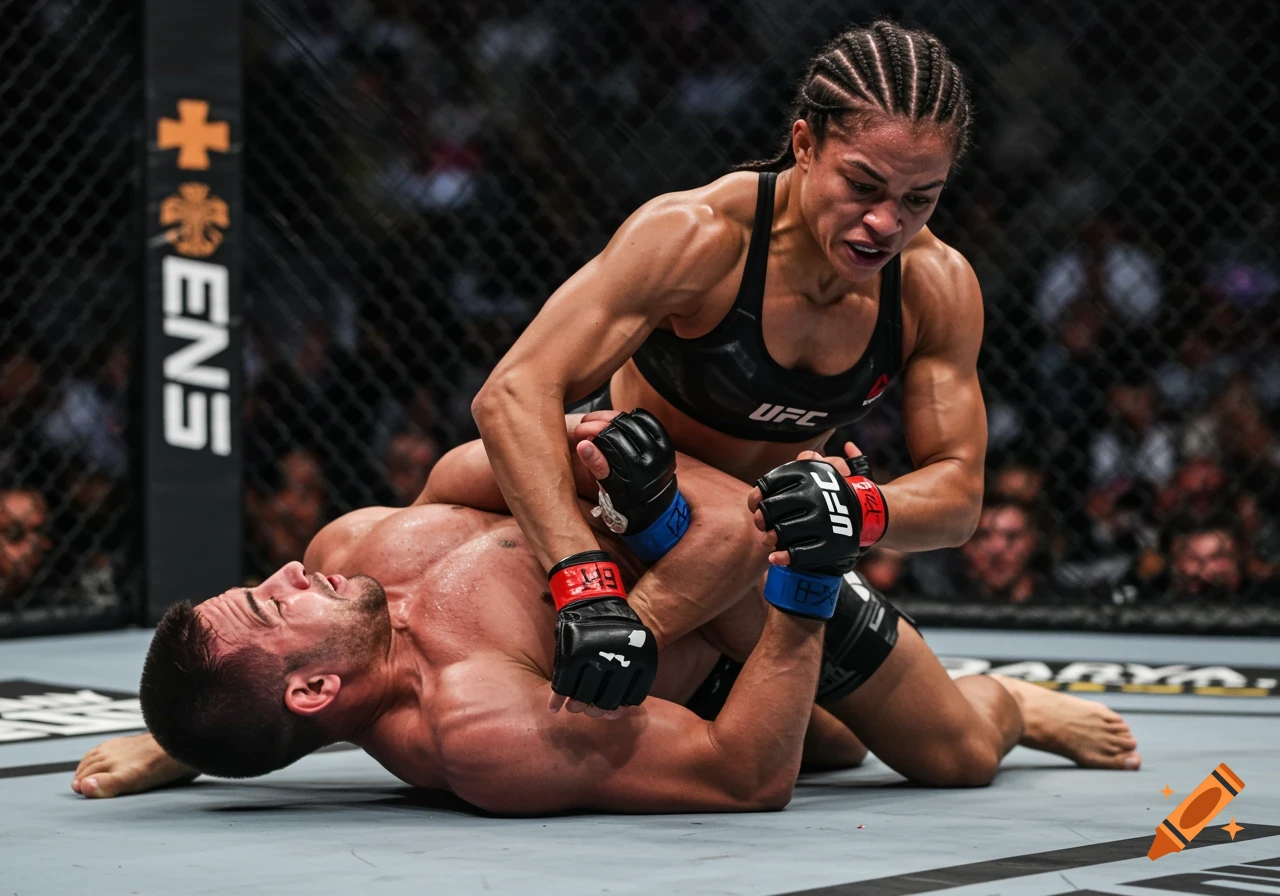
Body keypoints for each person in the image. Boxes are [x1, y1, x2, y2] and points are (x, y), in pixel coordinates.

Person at [72, 415, 1140, 811]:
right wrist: (804, 581)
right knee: (919, 748)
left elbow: (474, 469)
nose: (289, 572)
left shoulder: (352, 551)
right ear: (312, 687)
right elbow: (740, 773)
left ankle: (972, 707)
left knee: (931, 753)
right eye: (272, 602)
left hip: (689, 520)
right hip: (742, 602)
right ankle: (1006, 701)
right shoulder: (476, 721)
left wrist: (184, 741)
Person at [470, 20, 989, 710]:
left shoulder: (936, 286)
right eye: (863, 186)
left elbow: (959, 497)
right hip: (638, 516)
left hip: (764, 551)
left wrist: (857, 506)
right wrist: (583, 578)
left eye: (919, 199)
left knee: (952, 755)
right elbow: (513, 391)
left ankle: (1016, 705)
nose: (886, 224)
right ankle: (622, 632)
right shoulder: (697, 237)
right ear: (804, 145)